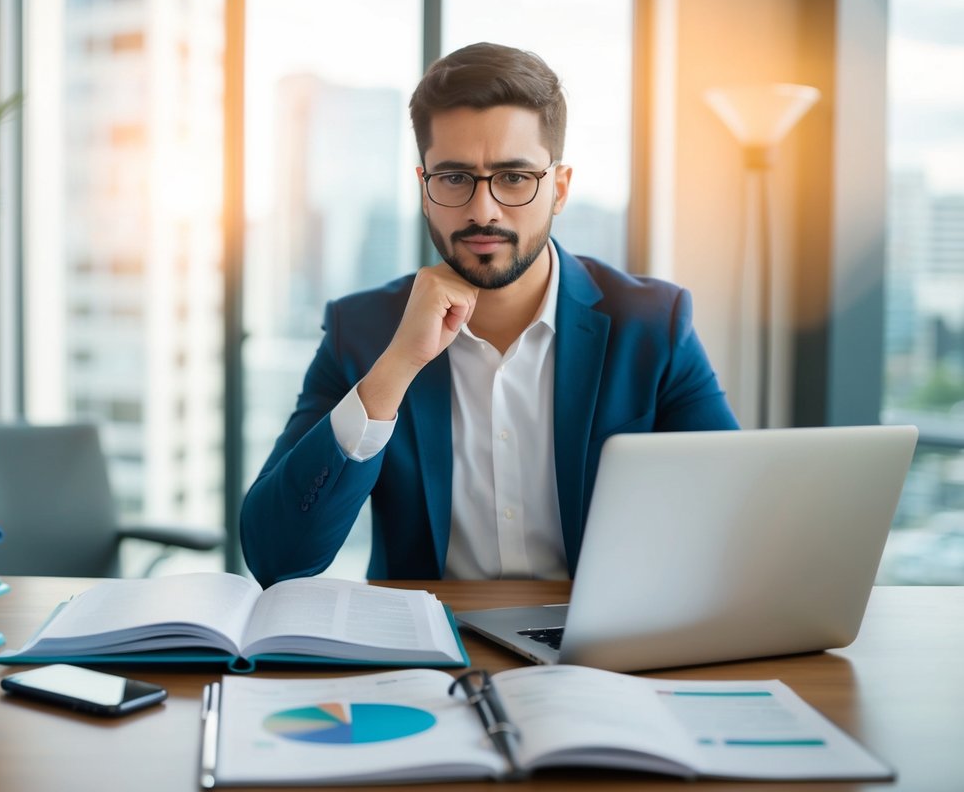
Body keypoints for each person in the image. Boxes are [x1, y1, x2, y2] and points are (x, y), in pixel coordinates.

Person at [241, 42, 738, 587]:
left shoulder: (653, 325)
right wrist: (395, 369)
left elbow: (733, 526)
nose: (483, 210)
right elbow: (277, 556)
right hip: (427, 654)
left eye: (515, 177)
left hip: (598, 653)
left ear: (560, 188)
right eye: (454, 178)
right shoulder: (361, 332)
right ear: (425, 191)